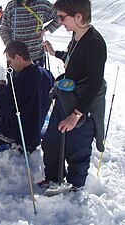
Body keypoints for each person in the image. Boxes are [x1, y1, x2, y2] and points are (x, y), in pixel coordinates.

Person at [40, 0, 107, 196]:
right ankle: (54, 178)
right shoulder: (76, 35)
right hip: (66, 97)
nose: (59, 22)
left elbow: (95, 83)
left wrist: (77, 114)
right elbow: (74, 60)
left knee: (77, 148)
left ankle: (75, 187)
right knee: (52, 142)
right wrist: (55, 53)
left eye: (62, 17)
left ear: (78, 16)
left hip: (82, 106)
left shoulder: (95, 43)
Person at [0, 40, 54, 154]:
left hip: (21, 135)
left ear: (18, 58)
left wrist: (0, 87)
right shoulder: (47, 74)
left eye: (10, 61)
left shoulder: (19, 83)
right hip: (36, 127)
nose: (10, 65)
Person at [0, 0, 60, 67]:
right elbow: (4, 30)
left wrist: (46, 29)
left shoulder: (42, 4)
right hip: (17, 60)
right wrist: (12, 48)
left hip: (37, 58)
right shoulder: (12, 6)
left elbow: (60, 16)